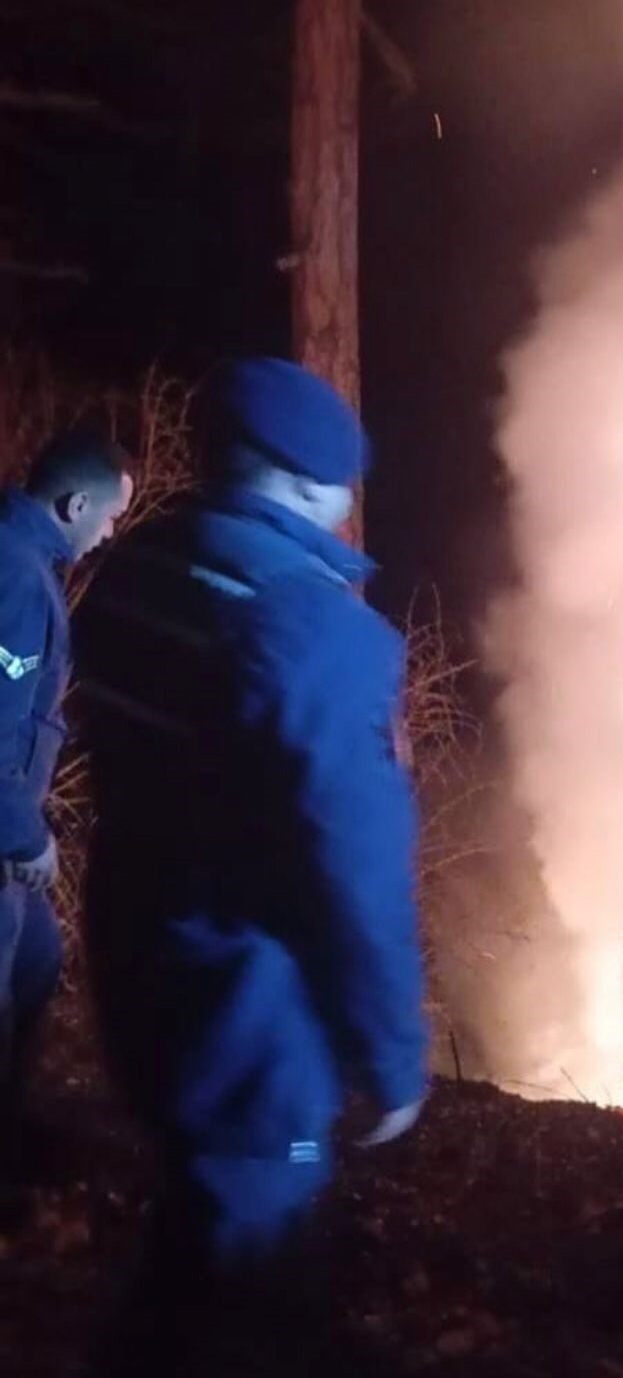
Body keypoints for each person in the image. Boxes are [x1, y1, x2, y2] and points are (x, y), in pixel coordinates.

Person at [76, 357, 426, 1276]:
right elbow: (356, 866)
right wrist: (392, 1056)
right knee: (256, 1245)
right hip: (250, 1014)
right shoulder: (318, 635)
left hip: (135, 969)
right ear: (310, 485)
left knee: (194, 1201)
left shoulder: (129, 572)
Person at [0, 432, 132, 1177]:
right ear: (76, 505)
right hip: (3, 835)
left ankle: (15, 1137)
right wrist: (24, 837)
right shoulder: (18, 578)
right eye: (109, 517)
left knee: (38, 960)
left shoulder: (20, 558)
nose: (110, 533)